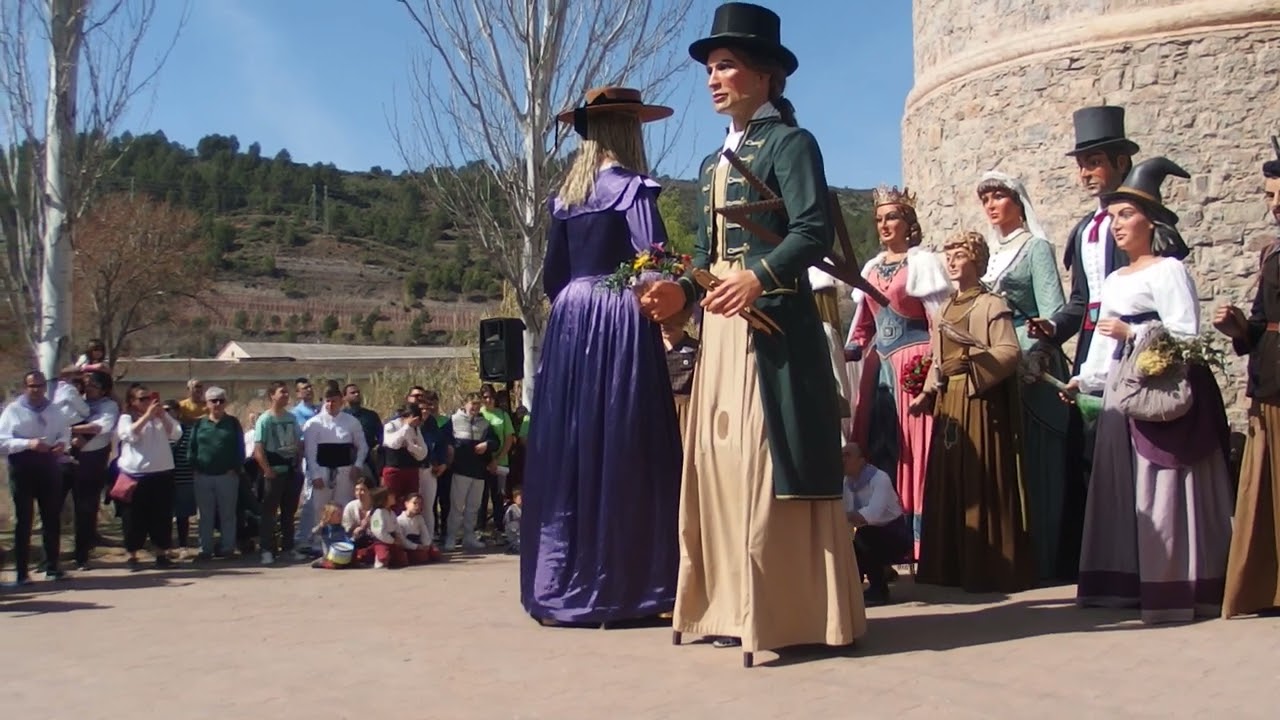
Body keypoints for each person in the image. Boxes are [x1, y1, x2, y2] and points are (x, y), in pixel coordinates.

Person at [641, 2, 866, 666]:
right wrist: (683, 293)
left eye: (726, 66)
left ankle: (788, 612)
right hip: (720, 331)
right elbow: (707, 254)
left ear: (766, 75)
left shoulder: (793, 144)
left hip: (773, 330)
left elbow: (812, 231)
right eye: (710, 68)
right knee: (718, 461)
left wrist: (758, 276)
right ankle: (727, 605)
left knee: (765, 459)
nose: (713, 79)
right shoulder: (712, 162)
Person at [520, 85, 683, 627]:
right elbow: (654, 263)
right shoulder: (633, 189)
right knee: (628, 440)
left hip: (570, 318)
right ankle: (627, 586)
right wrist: (667, 314)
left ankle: (559, 584)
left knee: (571, 444)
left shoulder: (565, 199)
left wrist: (576, 308)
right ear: (628, 129)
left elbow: (554, 277)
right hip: (619, 317)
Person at [1064, 157, 1234, 624]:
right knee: (1122, 484)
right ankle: (1126, 580)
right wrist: (1086, 379)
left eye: (1126, 215)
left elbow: (1186, 334)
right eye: (1113, 216)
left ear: (1151, 222)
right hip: (1123, 382)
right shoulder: (1115, 280)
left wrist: (1136, 334)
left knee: (1162, 481)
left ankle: (1177, 581)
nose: (1117, 225)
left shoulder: (1168, 271)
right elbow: (1104, 339)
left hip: (1161, 382)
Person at [1028, 106, 1139, 580]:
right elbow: (1080, 301)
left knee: (1128, 446)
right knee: (1089, 449)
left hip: (1128, 343)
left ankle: (1136, 556)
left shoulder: (1140, 224)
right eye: (1081, 164)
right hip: (1093, 344)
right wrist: (1054, 328)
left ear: (1120, 162)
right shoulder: (1084, 230)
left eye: (1094, 162)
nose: (1085, 173)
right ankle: (1091, 560)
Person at [912, 231, 1035, 593]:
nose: (951, 261)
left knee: (978, 475)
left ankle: (987, 566)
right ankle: (949, 565)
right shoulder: (945, 309)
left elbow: (1009, 352)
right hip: (949, 402)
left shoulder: (992, 305)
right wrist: (927, 391)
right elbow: (938, 358)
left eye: (960, 254)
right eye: (948, 254)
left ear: (977, 260)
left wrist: (973, 364)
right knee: (950, 477)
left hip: (979, 401)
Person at [846, 185, 951, 556]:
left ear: (909, 223)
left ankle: (917, 536)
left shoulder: (922, 263)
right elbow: (863, 325)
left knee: (913, 446)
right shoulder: (871, 268)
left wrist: (933, 369)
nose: (884, 225)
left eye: (892, 217)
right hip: (879, 368)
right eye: (879, 219)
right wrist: (850, 349)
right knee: (878, 445)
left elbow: (937, 320)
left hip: (913, 361)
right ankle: (880, 539)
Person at [976, 171, 1070, 581]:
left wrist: (1039, 353)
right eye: (986, 199)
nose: (991, 205)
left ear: (1018, 202)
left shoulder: (1036, 248)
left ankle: (1044, 559)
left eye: (999, 196)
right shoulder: (991, 256)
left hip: (1032, 361)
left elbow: (1053, 310)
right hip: (996, 362)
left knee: (1036, 462)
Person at [1212, 151, 1280, 618]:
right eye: (1269, 196)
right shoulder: (1271, 253)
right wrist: (1237, 326)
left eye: (1279, 196)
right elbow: (1260, 323)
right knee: (1265, 490)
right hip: (1270, 380)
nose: (1274, 205)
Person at [0, 371, 73, 584]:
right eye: (32, 386)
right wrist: (27, 444)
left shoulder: (54, 410)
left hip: (48, 466)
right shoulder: (13, 410)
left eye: (40, 386)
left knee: (51, 517)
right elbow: (2, 441)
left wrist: (62, 444)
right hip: (22, 466)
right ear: (25, 387)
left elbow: (65, 432)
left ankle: (52, 567)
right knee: (24, 519)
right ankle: (22, 572)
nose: (36, 390)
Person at [116, 383, 183, 569]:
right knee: (133, 519)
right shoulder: (127, 418)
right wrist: (146, 416)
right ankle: (132, 555)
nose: (148, 402)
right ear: (132, 401)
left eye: (149, 397)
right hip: (136, 476)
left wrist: (162, 416)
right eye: (142, 399)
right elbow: (128, 435)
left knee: (161, 517)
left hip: (162, 474)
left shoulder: (161, 416)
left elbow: (176, 434)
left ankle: (161, 554)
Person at [301, 384, 369, 553]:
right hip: (322, 470)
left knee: (343, 507)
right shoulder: (313, 424)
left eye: (334, 401)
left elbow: (362, 446)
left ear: (341, 401)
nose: (331, 405)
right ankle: (318, 543)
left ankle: (342, 542)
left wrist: (358, 465)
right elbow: (310, 452)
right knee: (320, 508)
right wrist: (315, 475)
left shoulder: (351, 422)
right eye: (328, 401)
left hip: (344, 471)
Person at [841, 443, 910, 607]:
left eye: (848, 455)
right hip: (870, 533)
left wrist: (842, 517)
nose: (842, 459)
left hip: (895, 533)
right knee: (849, 545)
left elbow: (874, 513)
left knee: (864, 537)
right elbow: (846, 513)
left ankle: (879, 591)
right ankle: (853, 590)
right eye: (841, 455)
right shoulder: (847, 483)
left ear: (861, 461)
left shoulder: (879, 478)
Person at [67, 370, 118, 570]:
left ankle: (82, 556)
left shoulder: (109, 406)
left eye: (94, 386)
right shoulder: (77, 402)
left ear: (104, 390)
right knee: (53, 507)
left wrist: (67, 429)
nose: (88, 388)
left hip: (92, 461)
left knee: (85, 510)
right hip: (67, 458)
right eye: (87, 384)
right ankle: (49, 559)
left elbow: (98, 427)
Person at [187, 386, 245, 559]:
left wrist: (235, 468)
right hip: (203, 476)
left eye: (221, 400)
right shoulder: (199, 424)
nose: (217, 404)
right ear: (207, 403)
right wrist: (195, 467)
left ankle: (228, 548)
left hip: (227, 476)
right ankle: (205, 549)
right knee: (205, 516)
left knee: (228, 514)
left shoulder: (232, 423)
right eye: (213, 401)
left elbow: (240, 447)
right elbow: (192, 448)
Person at [254, 381, 304, 565]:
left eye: (286, 392)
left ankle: (288, 548)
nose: (285, 395)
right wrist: (267, 470)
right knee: (269, 513)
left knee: (289, 513)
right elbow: (258, 448)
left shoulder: (292, 418)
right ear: (272, 395)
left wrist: (298, 463)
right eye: (281, 392)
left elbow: (298, 442)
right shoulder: (265, 420)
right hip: (273, 473)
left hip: (290, 471)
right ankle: (267, 549)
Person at [448, 393, 497, 552]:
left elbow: (495, 442)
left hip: (479, 471)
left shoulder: (484, 423)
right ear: (465, 403)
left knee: (473, 507)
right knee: (457, 506)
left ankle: (469, 537)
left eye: (477, 404)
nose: (475, 407)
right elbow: (445, 439)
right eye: (472, 403)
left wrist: (486, 444)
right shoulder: (453, 420)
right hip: (460, 470)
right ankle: (451, 537)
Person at [662, 306, 700, 439]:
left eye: (674, 320)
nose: (667, 324)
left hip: (686, 414)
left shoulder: (696, 350)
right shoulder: (649, 348)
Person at [367, 487, 407, 569]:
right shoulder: (378, 513)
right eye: (391, 495)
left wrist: (398, 537)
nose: (394, 496)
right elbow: (378, 532)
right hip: (381, 541)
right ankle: (377, 556)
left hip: (393, 539)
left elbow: (396, 527)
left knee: (402, 559)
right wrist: (392, 540)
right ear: (383, 499)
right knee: (384, 558)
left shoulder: (392, 512)